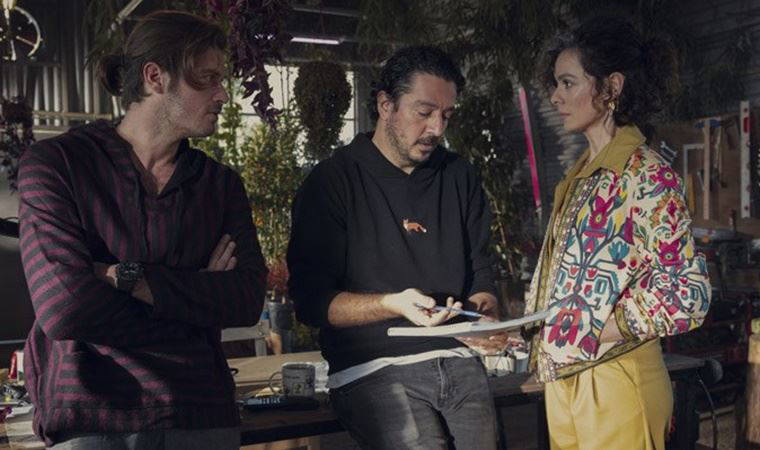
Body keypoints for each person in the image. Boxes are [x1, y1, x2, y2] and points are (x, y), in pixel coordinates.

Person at [17, 10, 268, 449]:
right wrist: (195, 299)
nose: (223, 94)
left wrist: (126, 278)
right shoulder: (58, 165)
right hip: (92, 415)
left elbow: (246, 300)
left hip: (199, 415)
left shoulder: (219, 185)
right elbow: (64, 308)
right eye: (207, 79)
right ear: (155, 77)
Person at [287, 46, 501, 449]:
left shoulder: (459, 176)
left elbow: (481, 275)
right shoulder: (332, 182)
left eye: (447, 115)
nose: (437, 128)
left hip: (459, 360)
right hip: (373, 368)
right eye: (424, 112)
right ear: (386, 105)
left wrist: (484, 316)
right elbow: (312, 303)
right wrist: (392, 304)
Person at [523, 16, 712, 449]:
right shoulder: (580, 176)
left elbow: (687, 294)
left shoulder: (645, 175)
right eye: (556, 84)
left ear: (611, 87)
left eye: (568, 83)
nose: (555, 97)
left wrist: (593, 329)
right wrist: (525, 330)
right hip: (567, 381)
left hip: (618, 381)